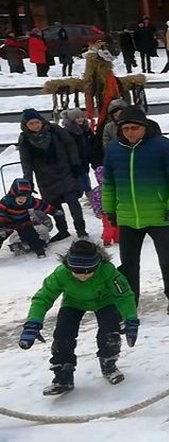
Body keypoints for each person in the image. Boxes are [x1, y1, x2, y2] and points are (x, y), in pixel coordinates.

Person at [18, 240, 139, 396]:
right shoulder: (61, 274)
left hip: (105, 301)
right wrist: (32, 324)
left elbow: (124, 295)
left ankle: (109, 363)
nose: (83, 276)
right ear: (69, 267)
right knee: (63, 335)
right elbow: (43, 298)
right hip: (73, 303)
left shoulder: (108, 271)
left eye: (89, 271)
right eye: (77, 271)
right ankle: (63, 374)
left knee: (110, 332)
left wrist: (131, 320)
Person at [102, 107, 169, 313]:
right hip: (128, 217)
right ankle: (130, 302)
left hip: (160, 215)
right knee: (129, 264)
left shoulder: (163, 146)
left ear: (144, 127)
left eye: (135, 128)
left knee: (168, 260)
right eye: (126, 128)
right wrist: (110, 211)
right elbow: (109, 183)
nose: (130, 132)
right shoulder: (113, 149)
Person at [19, 108, 87, 241]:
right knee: (54, 206)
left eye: (36, 122)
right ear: (26, 125)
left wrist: (75, 164)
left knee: (73, 202)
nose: (35, 126)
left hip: (65, 172)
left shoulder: (54, 130)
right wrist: (28, 181)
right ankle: (63, 230)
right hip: (45, 177)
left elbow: (70, 145)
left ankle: (81, 229)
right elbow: (26, 162)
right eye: (31, 124)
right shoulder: (25, 140)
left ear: (41, 121)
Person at [0, 178, 53, 258]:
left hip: (23, 223)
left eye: (24, 198)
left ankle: (39, 250)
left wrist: (54, 211)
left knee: (32, 237)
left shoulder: (30, 201)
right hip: (7, 224)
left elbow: (42, 205)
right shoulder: (6, 201)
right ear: (14, 194)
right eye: (20, 197)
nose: (22, 200)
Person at [61, 109, 94, 196]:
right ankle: (89, 196)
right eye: (77, 118)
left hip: (85, 159)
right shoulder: (67, 132)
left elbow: (91, 142)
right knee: (82, 179)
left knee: (85, 177)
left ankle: (87, 194)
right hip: (74, 160)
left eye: (82, 117)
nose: (80, 119)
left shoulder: (86, 129)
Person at [89, 166, 118, 247]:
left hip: (105, 212)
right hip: (116, 210)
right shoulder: (116, 187)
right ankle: (113, 239)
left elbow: (95, 203)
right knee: (116, 225)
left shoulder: (97, 190)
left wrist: (97, 211)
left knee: (109, 226)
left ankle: (108, 239)